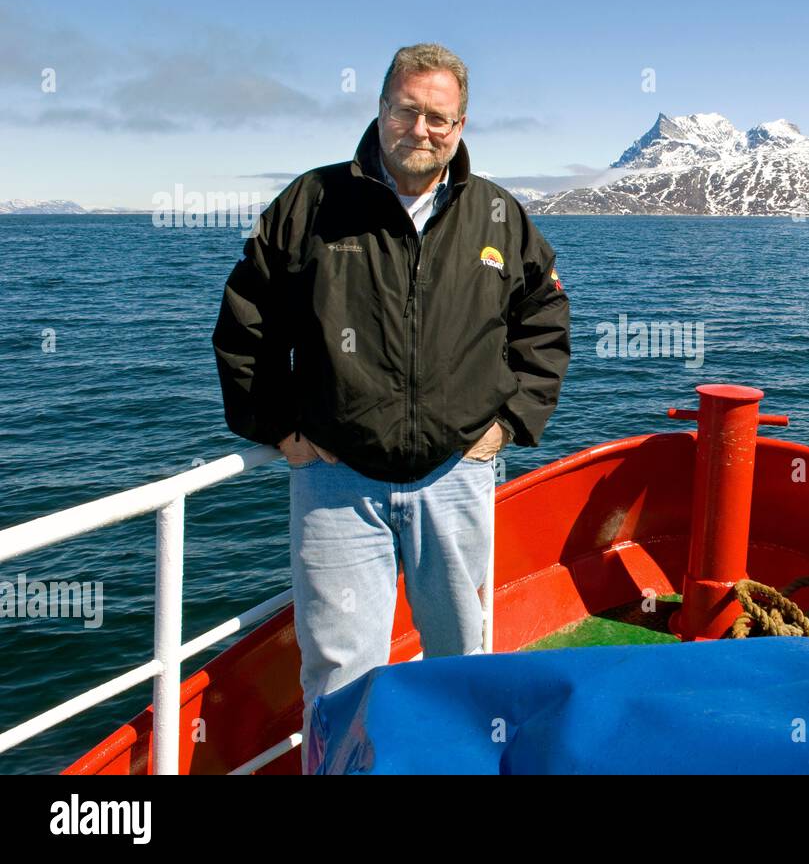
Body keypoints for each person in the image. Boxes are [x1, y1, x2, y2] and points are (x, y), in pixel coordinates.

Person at [211, 42, 571, 772]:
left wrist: (510, 423)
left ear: (461, 124)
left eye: (439, 117)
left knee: (463, 662)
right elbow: (246, 320)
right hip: (338, 489)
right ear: (380, 109)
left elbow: (546, 320)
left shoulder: (498, 217)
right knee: (341, 679)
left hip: (457, 480)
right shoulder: (310, 205)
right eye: (407, 110)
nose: (422, 129)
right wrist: (279, 427)